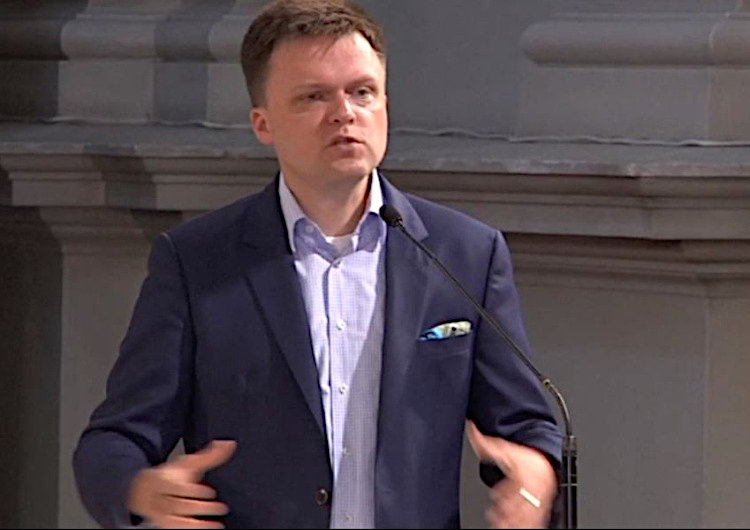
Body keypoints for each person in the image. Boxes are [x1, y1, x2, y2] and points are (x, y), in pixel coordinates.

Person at [73, 0, 563, 528]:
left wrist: (536, 471)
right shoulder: (197, 263)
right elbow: (113, 440)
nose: (344, 113)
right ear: (263, 123)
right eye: (314, 96)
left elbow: (528, 425)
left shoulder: (464, 254)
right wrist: (138, 489)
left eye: (362, 92)